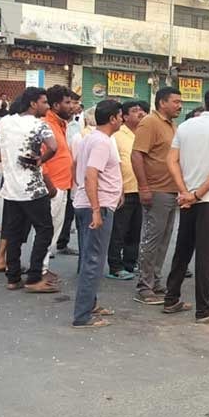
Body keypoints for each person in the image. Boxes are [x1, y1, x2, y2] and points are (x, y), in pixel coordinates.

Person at [163, 88, 209, 324]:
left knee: (183, 250)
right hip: (208, 199)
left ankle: (171, 297)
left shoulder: (185, 126)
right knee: (206, 256)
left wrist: (185, 191)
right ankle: (204, 309)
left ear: (205, 103)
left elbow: (171, 160)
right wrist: (197, 194)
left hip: (187, 198)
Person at [0, 86, 60, 294]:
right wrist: (41, 159)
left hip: (11, 189)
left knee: (13, 233)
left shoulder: (5, 122)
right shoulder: (38, 125)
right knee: (45, 230)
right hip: (33, 188)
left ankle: (13, 277)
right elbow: (53, 147)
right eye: (44, 102)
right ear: (33, 104)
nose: (47, 106)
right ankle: (34, 277)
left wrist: (1, 157)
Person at [70, 99, 125, 329]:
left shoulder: (92, 138)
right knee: (93, 261)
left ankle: (89, 305)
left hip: (92, 202)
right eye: (120, 115)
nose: (122, 119)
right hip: (96, 206)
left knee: (90, 258)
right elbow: (90, 174)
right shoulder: (101, 141)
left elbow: (76, 167)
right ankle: (82, 315)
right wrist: (95, 209)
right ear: (112, 118)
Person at [131, 87, 184, 306]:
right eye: (176, 102)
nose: (179, 105)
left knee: (163, 240)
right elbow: (137, 155)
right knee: (152, 239)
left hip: (171, 189)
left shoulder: (172, 126)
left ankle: (155, 280)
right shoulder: (149, 123)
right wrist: (144, 187)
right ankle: (144, 286)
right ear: (162, 103)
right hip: (156, 189)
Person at [106, 100, 147, 280]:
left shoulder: (142, 133)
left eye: (140, 110)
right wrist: (118, 189)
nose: (140, 113)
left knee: (135, 230)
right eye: (134, 111)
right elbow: (114, 164)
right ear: (124, 116)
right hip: (123, 190)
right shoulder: (117, 136)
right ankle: (115, 266)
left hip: (140, 188)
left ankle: (131, 263)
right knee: (119, 230)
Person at [40, 85, 76, 277]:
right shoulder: (46, 124)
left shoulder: (61, 124)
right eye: (67, 102)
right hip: (53, 186)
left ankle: (43, 267)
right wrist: (50, 187)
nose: (72, 106)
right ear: (55, 105)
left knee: (54, 231)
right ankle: (40, 270)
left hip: (63, 184)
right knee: (48, 231)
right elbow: (39, 156)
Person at [56, 92, 84, 255]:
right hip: (57, 173)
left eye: (75, 103)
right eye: (71, 102)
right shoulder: (53, 123)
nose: (74, 106)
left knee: (68, 211)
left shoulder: (76, 124)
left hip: (72, 173)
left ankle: (62, 242)